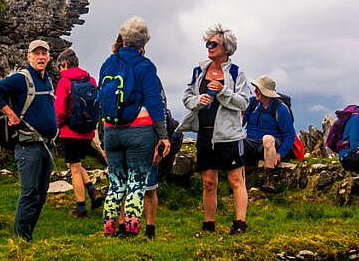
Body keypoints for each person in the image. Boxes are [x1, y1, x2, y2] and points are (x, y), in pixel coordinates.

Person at [98, 17, 171, 238]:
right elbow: (153, 100)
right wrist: (163, 135)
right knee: (137, 183)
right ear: (143, 43)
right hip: (139, 132)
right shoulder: (145, 66)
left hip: (111, 131)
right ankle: (131, 230)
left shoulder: (108, 63)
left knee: (116, 182)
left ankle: (110, 229)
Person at [178, 24, 251, 234]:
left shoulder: (237, 73)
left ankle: (240, 223)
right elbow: (186, 98)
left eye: (213, 44)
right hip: (205, 133)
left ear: (226, 48)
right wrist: (197, 101)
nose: (208, 47)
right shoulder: (199, 71)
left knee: (236, 179)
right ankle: (209, 224)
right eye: (207, 43)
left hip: (229, 135)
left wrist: (223, 91)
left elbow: (244, 103)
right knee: (208, 181)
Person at [0, 39, 59, 241]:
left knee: (41, 195)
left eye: (44, 53)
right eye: (36, 54)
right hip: (27, 145)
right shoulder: (21, 79)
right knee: (29, 193)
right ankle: (19, 240)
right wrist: (10, 113)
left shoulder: (47, 80)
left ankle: (27, 236)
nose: (41, 57)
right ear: (28, 57)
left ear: (49, 56)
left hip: (45, 145)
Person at [54, 48, 102, 218]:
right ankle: (91, 190)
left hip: (70, 131)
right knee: (75, 163)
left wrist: (58, 126)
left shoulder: (64, 82)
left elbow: (59, 110)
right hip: (88, 131)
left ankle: (81, 208)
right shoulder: (91, 80)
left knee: (74, 168)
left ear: (65, 65)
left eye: (60, 67)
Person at [242, 74, 297, 192]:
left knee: (267, 139)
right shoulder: (252, 103)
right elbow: (240, 122)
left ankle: (269, 179)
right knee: (237, 141)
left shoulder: (280, 109)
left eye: (258, 89)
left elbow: (290, 134)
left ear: (265, 92)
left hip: (270, 145)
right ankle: (239, 180)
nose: (255, 91)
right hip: (252, 143)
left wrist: (280, 154)